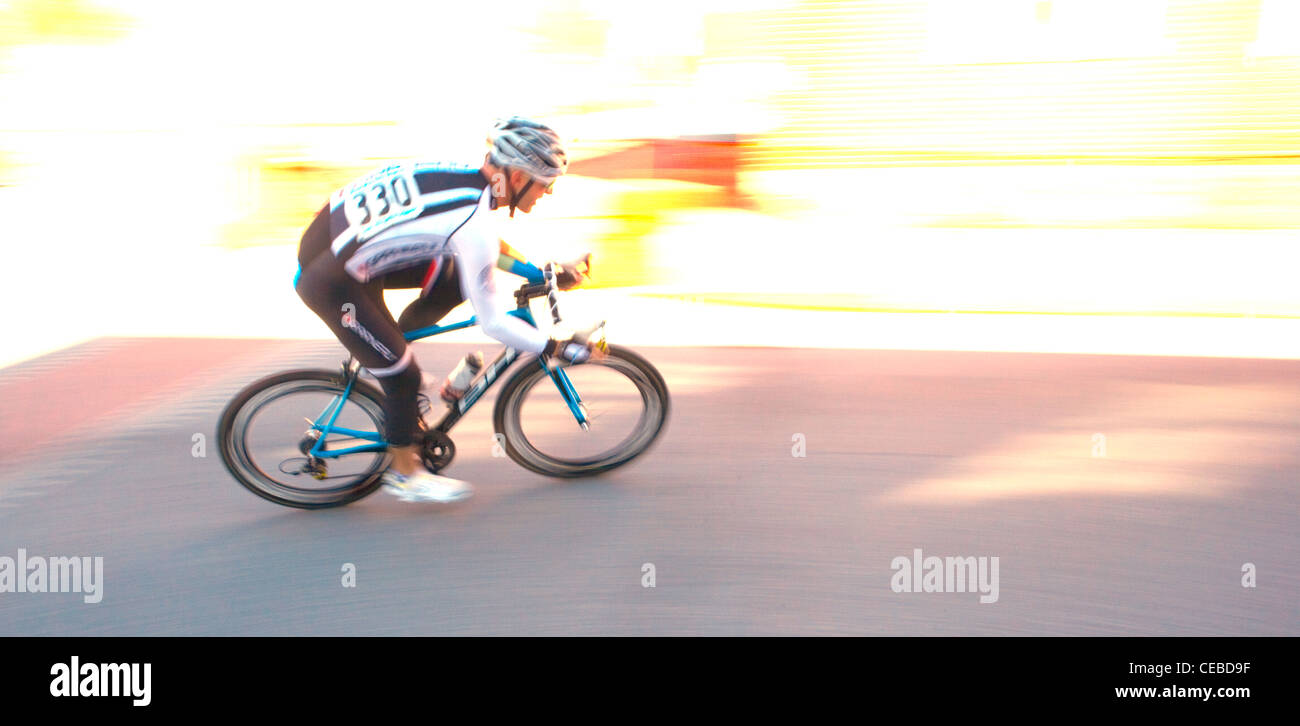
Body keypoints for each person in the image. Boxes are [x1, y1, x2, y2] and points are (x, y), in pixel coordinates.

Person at [294, 117, 599, 504]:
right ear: (519, 177)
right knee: (403, 375)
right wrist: (554, 348)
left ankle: (388, 350)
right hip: (330, 280)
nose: (549, 192)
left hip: (339, 248)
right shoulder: (473, 222)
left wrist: (538, 271)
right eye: (546, 183)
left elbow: (483, 244)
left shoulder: (464, 179)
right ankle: (405, 473)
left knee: (453, 277)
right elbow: (492, 320)